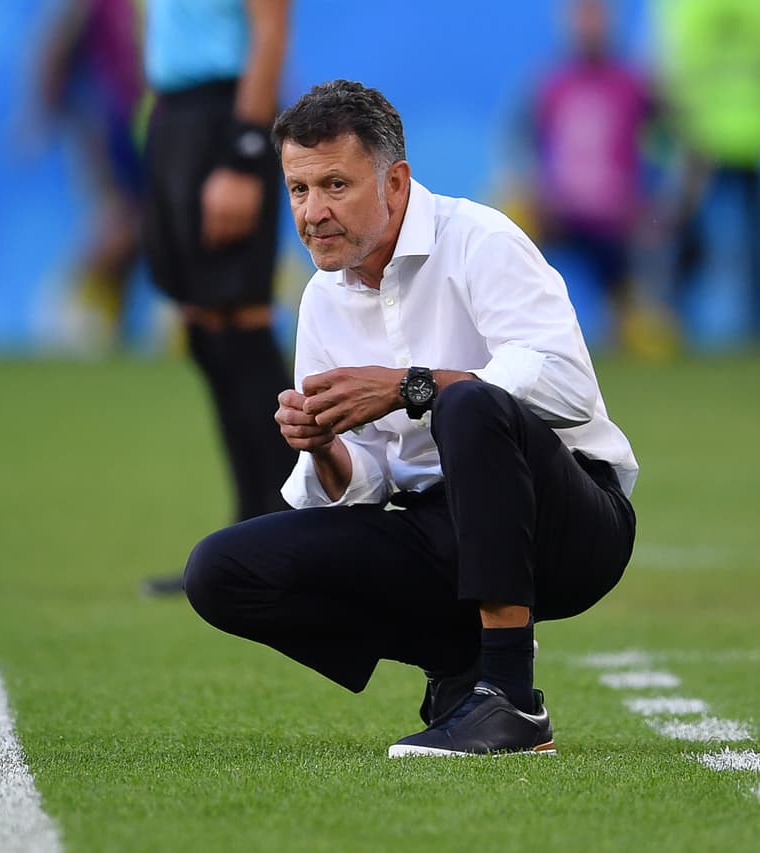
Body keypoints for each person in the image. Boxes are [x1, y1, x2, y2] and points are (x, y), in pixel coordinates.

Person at [182, 80, 638, 757]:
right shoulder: (322, 300)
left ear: (394, 183)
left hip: (570, 527)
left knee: (470, 403)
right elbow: (365, 488)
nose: (312, 213)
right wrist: (324, 446)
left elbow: (568, 387)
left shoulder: (480, 239)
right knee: (218, 571)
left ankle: (511, 698)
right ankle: (457, 656)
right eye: (298, 190)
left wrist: (410, 387)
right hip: (440, 533)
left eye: (335, 185)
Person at [139, 0, 296, 595]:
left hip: (227, 119)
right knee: (207, 329)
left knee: (240, 325)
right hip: (174, 114)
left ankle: (288, 538)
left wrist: (244, 153)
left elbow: (271, 29)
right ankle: (245, 542)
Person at [654, 0, 760, 341]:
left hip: (702, 135)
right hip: (750, 130)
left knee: (691, 237)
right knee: (755, 242)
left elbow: (666, 65)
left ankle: (674, 324)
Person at [529, 0, 656, 346]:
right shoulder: (554, 85)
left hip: (615, 216)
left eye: (596, 19)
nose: (590, 29)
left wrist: (653, 195)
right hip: (563, 212)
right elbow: (531, 144)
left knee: (634, 317)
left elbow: (667, 137)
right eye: (583, 20)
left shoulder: (632, 83)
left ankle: (633, 324)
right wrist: (540, 193)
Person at [32, 0, 144, 351]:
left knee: (142, 231)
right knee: (119, 224)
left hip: (160, 122)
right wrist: (42, 112)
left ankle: (111, 326)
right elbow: (57, 45)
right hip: (111, 126)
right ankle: (66, 309)